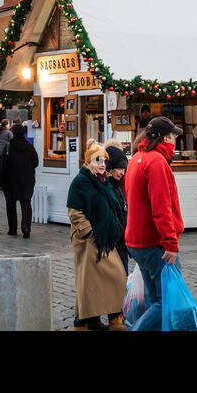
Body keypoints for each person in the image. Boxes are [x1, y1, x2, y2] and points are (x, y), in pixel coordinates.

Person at [124, 116, 185, 331]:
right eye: (172, 136)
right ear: (165, 138)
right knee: (166, 301)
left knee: (152, 299)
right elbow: (161, 209)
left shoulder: (137, 159)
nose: (175, 141)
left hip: (137, 240)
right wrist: (170, 243)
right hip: (154, 243)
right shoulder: (157, 162)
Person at [67, 142, 128, 331]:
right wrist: (88, 232)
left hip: (106, 238)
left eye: (104, 160)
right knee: (89, 284)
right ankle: (85, 323)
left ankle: (107, 320)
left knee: (115, 277)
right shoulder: (81, 181)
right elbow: (74, 211)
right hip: (89, 241)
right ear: (88, 161)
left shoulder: (104, 180)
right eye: (97, 160)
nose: (102, 164)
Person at [1, 123, 38, 237]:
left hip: (10, 180)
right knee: (26, 203)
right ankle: (26, 228)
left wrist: (0, 179)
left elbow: (3, 165)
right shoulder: (29, 147)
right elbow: (36, 162)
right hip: (27, 179)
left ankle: (12, 229)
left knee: (11, 203)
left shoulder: (8, 147)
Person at [104, 144, 130, 272]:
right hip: (112, 246)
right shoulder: (106, 188)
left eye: (124, 169)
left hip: (122, 245)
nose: (122, 172)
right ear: (110, 167)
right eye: (119, 168)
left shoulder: (118, 186)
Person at [0, 119, 12, 190]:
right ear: (6, 125)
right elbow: (12, 142)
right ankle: (2, 184)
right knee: (3, 169)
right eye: (9, 124)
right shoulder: (8, 133)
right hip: (4, 153)